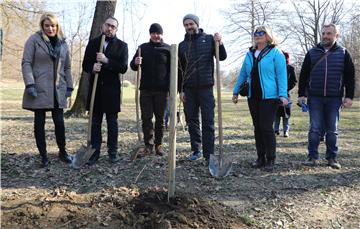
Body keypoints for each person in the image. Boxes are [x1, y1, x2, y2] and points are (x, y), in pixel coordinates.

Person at [298, 23, 355, 169]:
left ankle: (332, 158)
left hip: (334, 98)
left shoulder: (343, 53)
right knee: (314, 128)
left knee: (332, 130)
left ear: (336, 35)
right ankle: (312, 157)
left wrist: (349, 96)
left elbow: (350, 77)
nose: (325, 36)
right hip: (315, 97)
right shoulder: (312, 53)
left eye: (329, 33)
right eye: (323, 33)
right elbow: (303, 75)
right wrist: (301, 94)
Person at [232, 25, 288, 172]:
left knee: (266, 127)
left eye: (261, 33)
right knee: (257, 128)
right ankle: (260, 157)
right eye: (256, 33)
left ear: (268, 35)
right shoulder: (250, 54)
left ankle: (271, 158)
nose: (258, 35)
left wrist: (283, 94)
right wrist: (235, 91)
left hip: (269, 97)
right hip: (253, 96)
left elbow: (281, 75)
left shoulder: (276, 53)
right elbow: (243, 74)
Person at [22, 13, 73, 168]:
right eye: (47, 25)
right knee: (39, 123)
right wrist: (30, 84)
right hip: (39, 88)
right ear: (42, 26)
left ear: (57, 26)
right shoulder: (34, 40)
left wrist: (69, 86)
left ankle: (62, 151)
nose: (50, 28)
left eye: (53, 25)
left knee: (59, 122)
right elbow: (26, 62)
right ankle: (43, 156)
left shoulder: (63, 43)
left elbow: (67, 66)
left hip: (58, 89)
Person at [178, 14, 227, 164]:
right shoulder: (182, 45)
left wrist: (220, 43)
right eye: (186, 25)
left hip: (206, 88)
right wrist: (181, 90)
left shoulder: (209, 39)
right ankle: (196, 149)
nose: (189, 27)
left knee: (208, 122)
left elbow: (222, 57)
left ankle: (209, 154)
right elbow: (180, 70)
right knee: (192, 121)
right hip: (189, 89)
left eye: (191, 24)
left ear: (197, 24)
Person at [82, 16, 128, 165]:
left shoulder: (122, 46)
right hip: (96, 90)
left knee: (112, 123)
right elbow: (85, 65)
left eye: (113, 27)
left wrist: (107, 61)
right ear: (103, 26)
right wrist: (92, 68)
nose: (110, 28)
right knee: (95, 122)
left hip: (112, 91)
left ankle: (112, 152)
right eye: (108, 25)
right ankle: (94, 152)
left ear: (116, 29)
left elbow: (123, 68)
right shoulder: (93, 43)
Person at [130, 23, 171, 156]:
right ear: (150, 34)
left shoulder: (168, 49)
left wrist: (172, 88)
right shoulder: (143, 48)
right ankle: (148, 146)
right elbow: (133, 66)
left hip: (162, 90)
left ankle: (159, 144)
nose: (156, 35)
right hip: (146, 90)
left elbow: (173, 71)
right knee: (146, 118)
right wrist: (136, 62)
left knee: (160, 119)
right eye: (153, 33)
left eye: (158, 33)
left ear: (162, 34)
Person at [274, 52, 297, 137]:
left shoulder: (290, 68)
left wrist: (285, 89)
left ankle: (285, 131)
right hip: (275, 93)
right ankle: (275, 130)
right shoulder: (275, 67)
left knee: (286, 113)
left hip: (286, 94)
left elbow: (294, 81)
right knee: (276, 113)